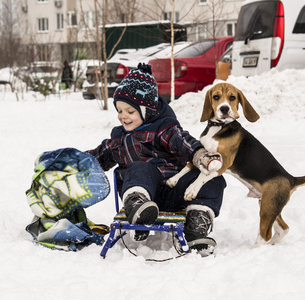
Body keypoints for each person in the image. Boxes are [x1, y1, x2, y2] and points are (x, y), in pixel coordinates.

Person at [86, 63, 226, 256]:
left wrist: (202, 156)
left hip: (175, 193)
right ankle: (138, 207)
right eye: (119, 110)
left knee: (214, 179)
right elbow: (96, 158)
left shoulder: (164, 129)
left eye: (130, 111)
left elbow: (184, 143)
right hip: (142, 195)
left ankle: (196, 225)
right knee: (139, 167)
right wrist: (73, 163)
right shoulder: (118, 140)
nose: (123, 116)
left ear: (147, 110)